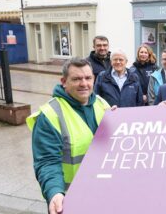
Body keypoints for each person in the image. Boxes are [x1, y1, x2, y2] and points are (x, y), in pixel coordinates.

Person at [26, 58, 111, 214]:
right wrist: (55, 192)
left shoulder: (102, 104)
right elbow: (47, 162)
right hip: (70, 199)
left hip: (102, 193)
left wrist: (158, 114)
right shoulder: (50, 115)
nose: (84, 84)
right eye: (76, 79)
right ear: (64, 82)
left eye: (88, 78)